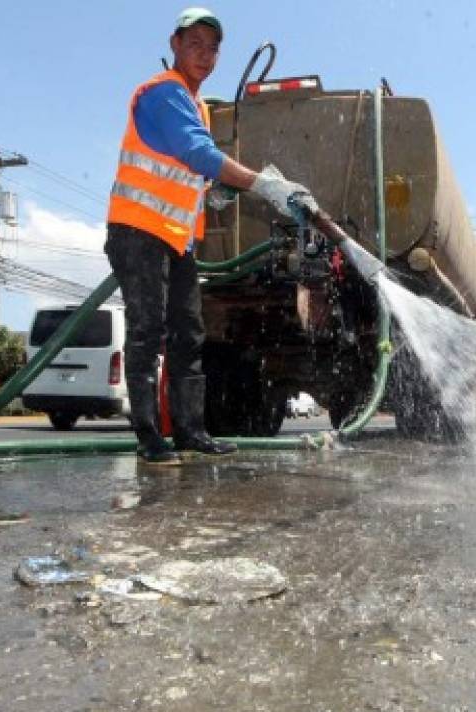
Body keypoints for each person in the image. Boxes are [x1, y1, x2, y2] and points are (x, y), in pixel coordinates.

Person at [105, 7, 321, 465]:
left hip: (176, 240)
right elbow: (194, 151)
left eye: (212, 48)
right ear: (175, 45)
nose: (204, 55)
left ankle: (191, 432)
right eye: (195, 44)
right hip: (137, 232)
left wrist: (215, 187)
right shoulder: (162, 94)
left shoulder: (196, 104)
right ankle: (149, 438)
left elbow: (186, 169)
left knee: (189, 334)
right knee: (147, 332)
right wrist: (260, 182)